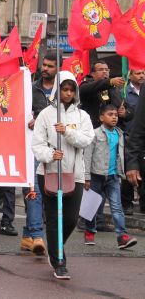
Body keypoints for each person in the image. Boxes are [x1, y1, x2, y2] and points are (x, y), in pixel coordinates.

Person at [32, 71, 94, 280]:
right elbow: (37, 144)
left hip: (75, 173)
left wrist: (67, 131)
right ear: (57, 90)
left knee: (71, 218)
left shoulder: (82, 116)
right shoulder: (46, 115)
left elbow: (86, 139)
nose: (67, 93)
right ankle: (58, 260)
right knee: (53, 219)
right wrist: (51, 154)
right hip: (49, 172)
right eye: (64, 89)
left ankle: (56, 246)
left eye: (71, 90)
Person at [82, 104, 137, 249]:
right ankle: (89, 231)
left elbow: (120, 155)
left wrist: (121, 173)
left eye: (116, 115)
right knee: (91, 207)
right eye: (110, 114)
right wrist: (86, 177)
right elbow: (87, 156)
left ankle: (122, 236)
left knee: (117, 207)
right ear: (101, 118)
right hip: (96, 176)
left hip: (113, 177)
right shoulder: (94, 134)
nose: (114, 117)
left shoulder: (120, 134)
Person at [21, 53, 58, 255]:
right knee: (34, 189)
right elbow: (21, 112)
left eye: (50, 66)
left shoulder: (64, 90)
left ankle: (27, 235)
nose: (45, 68)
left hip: (56, 150)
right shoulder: (30, 88)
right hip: (34, 148)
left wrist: (43, 122)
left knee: (48, 192)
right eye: (44, 65)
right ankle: (36, 235)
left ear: (57, 69)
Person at [121, 69, 144, 214]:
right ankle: (126, 203)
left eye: (143, 73)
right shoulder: (123, 93)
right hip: (129, 138)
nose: (141, 76)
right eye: (138, 73)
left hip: (138, 140)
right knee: (129, 176)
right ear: (130, 75)